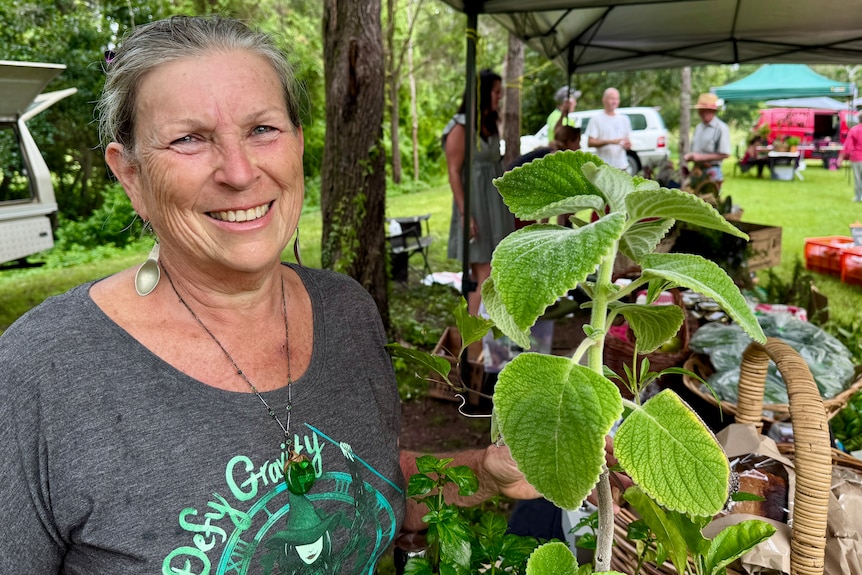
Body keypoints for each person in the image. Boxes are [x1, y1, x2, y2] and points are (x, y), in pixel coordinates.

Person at [0, 16, 537, 573]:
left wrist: (483, 472)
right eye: (189, 138)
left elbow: (367, 485)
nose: (239, 171)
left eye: (263, 130)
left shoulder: (346, 311)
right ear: (130, 176)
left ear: (297, 146)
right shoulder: (39, 376)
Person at [443, 69, 516, 316]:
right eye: (496, 92)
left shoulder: (488, 123)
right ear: (482, 93)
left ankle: (489, 333)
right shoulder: (460, 127)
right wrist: (466, 215)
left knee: (497, 268)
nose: (500, 97)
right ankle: (472, 338)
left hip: (494, 205)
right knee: (484, 273)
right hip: (475, 206)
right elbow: (453, 172)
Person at [683, 93, 731, 188]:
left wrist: (701, 158)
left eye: (707, 111)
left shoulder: (721, 128)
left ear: (713, 111)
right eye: (701, 111)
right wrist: (691, 156)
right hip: (696, 170)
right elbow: (696, 150)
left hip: (712, 170)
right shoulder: (699, 127)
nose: (703, 114)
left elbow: (725, 154)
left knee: (710, 200)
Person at [586, 87, 632, 170]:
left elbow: (628, 142)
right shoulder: (596, 119)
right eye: (611, 98)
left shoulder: (624, 119)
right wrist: (611, 142)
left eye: (617, 99)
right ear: (604, 100)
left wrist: (628, 145)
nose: (614, 101)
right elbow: (590, 142)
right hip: (603, 167)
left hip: (622, 166)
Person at [839, 111, 862, 202]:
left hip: (856, 158)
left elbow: (847, 146)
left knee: (857, 178)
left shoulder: (853, 130)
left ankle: (858, 196)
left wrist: (841, 157)